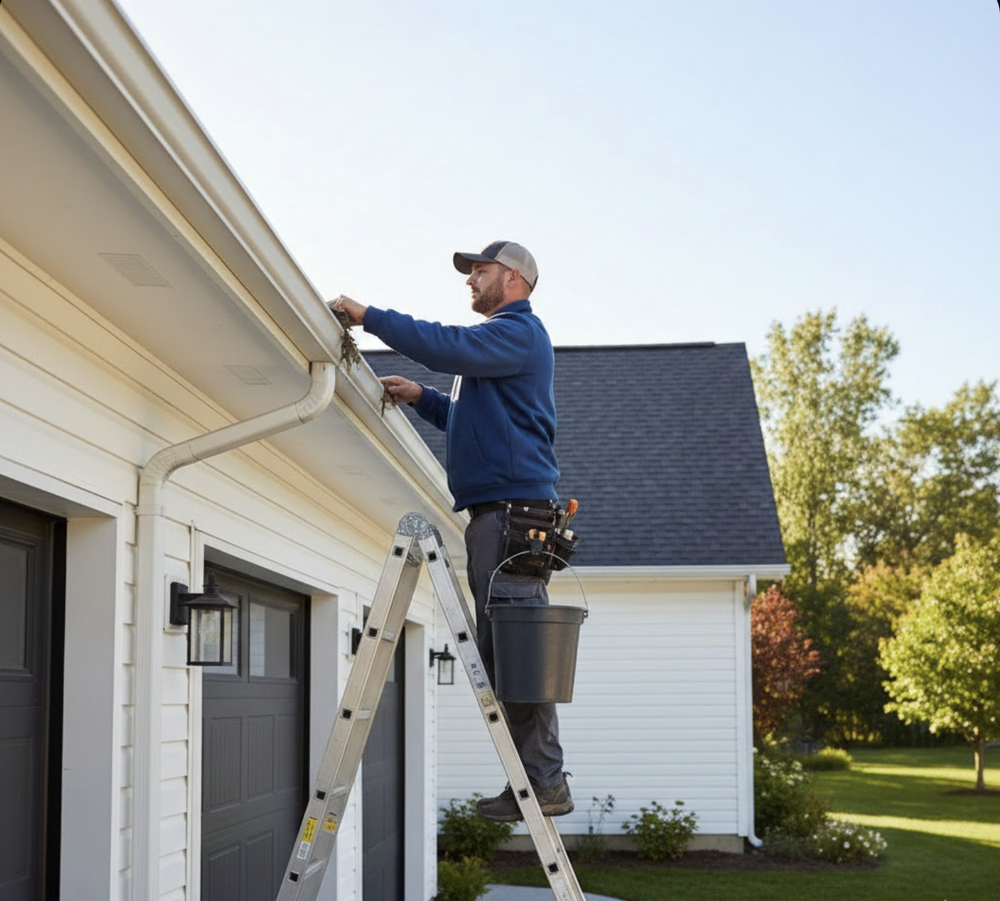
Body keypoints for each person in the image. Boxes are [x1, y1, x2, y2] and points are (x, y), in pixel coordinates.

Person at [329, 240, 572, 821]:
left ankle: (544, 783)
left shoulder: (517, 333)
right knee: (505, 652)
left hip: (512, 519)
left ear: (512, 278)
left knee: (518, 652)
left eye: (479, 272)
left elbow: (446, 344)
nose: (470, 281)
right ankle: (537, 780)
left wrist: (370, 317)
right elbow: (469, 419)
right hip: (499, 517)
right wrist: (422, 399)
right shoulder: (496, 352)